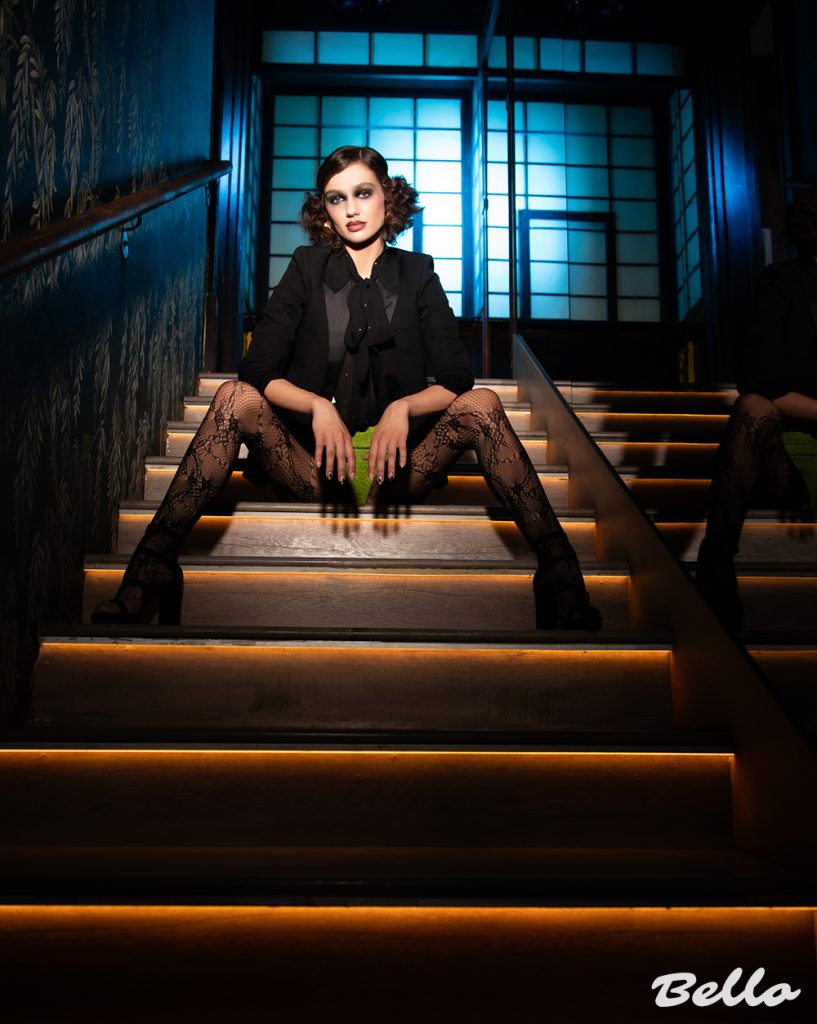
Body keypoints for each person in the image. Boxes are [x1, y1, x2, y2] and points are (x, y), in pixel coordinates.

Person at [93, 146, 601, 630]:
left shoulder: (418, 272)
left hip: (398, 468)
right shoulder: (305, 266)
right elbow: (257, 368)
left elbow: (455, 378)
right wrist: (317, 405)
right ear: (326, 210)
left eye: (363, 193)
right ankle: (152, 565)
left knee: (483, 403)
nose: (352, 210)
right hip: (313, 467)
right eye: (337, 198)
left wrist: (403, 408)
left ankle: (559, 571)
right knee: (232, 397)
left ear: (388, 197)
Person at [696, 190, 817, 628]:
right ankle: (717, 558)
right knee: (752, 408)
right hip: (792, 450)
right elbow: (758, 378)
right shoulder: (784, 281)